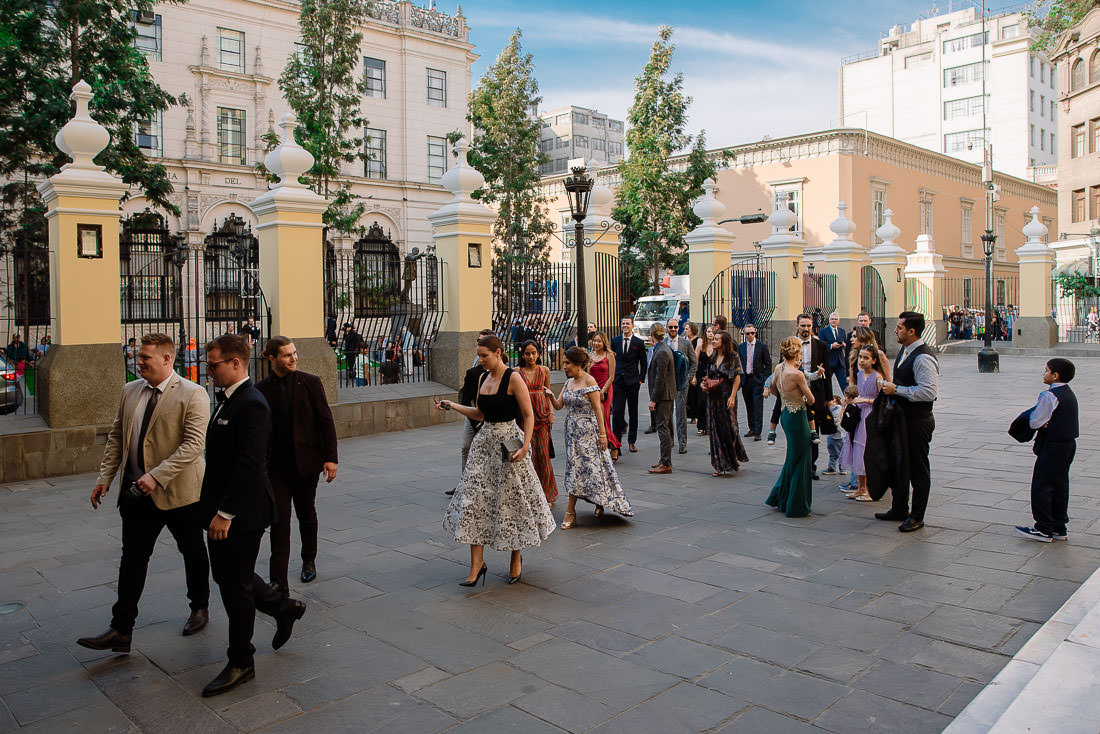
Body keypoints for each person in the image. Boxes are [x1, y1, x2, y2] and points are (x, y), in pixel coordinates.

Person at [77, 333, 211, 655]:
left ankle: (200, 608)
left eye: (145, 358)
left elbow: (194, 445)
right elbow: (117, 437)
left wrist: (157, 476)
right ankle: (121, 629)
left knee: (192, 552)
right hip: (137, 494)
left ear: (167, 359)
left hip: (180, 493)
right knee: (133, 560)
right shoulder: (130, 391)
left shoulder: (193, 394)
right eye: (139, 357)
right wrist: (105, 477)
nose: (139, 362)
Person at [199, 334, 306, 697]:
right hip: (223, 509)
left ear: (235, 363)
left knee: (236, 586)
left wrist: (225, 514)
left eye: (213, 365)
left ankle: (241, 660)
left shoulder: (251, 404)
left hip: (243, 513)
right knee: (230, 578)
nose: (208, 371)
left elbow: (249, 465)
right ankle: (284, 607)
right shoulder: (229, 401)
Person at [438, 334, 555, 586]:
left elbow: (529, 414)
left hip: (509, 443)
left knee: (511, 500)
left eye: (484, 356)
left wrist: (525, 446)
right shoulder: (482, 377)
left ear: (499, 352)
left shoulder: (513, 377)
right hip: (484, 444)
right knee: (475, 500)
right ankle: (476, 565)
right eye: (479, 356)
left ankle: (516, 557)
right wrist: (453, 406)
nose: (480, 361)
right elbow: (479, 412)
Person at [257, 337, 338, 591]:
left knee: (306, 513)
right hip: (276, 468)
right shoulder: (261, 389)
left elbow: (326, 421)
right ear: (272, 359)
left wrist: (331, 458)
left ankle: (308, 560)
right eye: (287, 355)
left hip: (306, 463)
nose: (294, 358)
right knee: (279, 520)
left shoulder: (310, 382)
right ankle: (277, 577)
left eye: (294, 353)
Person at [545, 346, 633, 529]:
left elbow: (598, 409)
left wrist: (603, 435)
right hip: (571, 431)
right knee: (577, 468)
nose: (564, 366)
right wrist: (549, 396)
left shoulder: (589, 380)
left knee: (589, 468)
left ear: (578, 365)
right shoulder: (568, 382)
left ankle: (571, 511)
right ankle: (598, 501)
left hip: (588, 431)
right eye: (563, 363)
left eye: (567, 363)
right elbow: (559, 405)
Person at [874, 312, 939, 533]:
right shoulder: (906, 350)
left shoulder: (923, 357)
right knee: (899, 464)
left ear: (912, 331)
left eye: (899, 327)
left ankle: (917, 516)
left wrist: (897, 389)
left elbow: (928, 392)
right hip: (901, 418)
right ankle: (899, 508)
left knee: (918, 468)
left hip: (917, 421)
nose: (895, 330)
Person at [1014, 359, 1078, 542]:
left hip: (1053, 445)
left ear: (1055, 375)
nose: (1044, 374)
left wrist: (1040, 421)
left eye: (1046, 371)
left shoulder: (1049, 395)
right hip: (1068, 444)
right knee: (1060, 485)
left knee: (1042, 485)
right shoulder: (1068, 393)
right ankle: (1059, 527)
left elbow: (1035, 421)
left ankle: (1043, 527)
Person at [765, 337, 815, 517]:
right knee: (802, 459)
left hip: (786, 414)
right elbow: (811, 400)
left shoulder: (778, 369)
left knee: (792, 457)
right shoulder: (797, 374)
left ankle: (781, 496)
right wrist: (799, 398)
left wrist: (787, 398)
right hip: (798, 416)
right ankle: (796, 504)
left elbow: (771, 389)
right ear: (797, 353)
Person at [702, 330, 749, 477]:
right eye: (713, 338)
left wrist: (733, 396)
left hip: (727, 396)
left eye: (717, 339)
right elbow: (708, 375)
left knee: (731, 429)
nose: (713, 341)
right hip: (713, 398)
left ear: (724, 342)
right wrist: (704, 385)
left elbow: (737, 377)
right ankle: (719, 464)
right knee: (715, 429)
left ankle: (734, 457)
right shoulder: (713, 356)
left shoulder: (733, 356)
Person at [516, 340, 558, 505]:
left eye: (534, 353)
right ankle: (531, 493)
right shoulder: (517, 372)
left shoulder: (545, 370)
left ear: (539, 354)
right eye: (528, 353)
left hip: (542, 415)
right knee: (529, 455)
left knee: (544, 455)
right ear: (523, 354)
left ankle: (548, 494)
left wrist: (551, 413)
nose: (531, 356)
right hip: (524, 416)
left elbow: (547, 393)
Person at [843, 347, 885, 501]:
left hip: (870, 415)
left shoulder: (877, 377)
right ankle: (860, 487)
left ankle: (869, 489)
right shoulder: (860, 374)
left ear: (874, 360)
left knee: (867, 450)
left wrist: (865, 400)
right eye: (860, 357)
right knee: (857, 449)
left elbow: (882, 400)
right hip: (859, 414)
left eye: (866, 358)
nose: (861, 360)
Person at [610, 316, 647, 454]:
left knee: (633, 412)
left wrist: (641, 378)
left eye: (627, 323)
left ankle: (632, 441)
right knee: (617, 412)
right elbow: (611, 359)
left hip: (633, 382)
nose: (625, 326)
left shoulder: (638, 342)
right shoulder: (615, 341)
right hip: (618, 381)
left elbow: (643, 362)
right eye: (623, 323)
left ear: (632, 326)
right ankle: (616, 443)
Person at [646, 323, 676, 474]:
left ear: (652, 334)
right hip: (664, 395)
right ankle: (663, 459)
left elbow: (660, 378)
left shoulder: (662, 351)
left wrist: (653, 399)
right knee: (663, 427)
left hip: (663, 396)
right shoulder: (661, 348)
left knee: (662, 428)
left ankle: (666, 463)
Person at [587, 331, 621, 461]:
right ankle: (604, 446)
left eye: (599, 341)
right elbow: (589, 376)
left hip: (605, 389)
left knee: (604, 419)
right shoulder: (590, 355)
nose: (596, 343)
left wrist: (603, 391)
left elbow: (612, 376)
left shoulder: (609, 355)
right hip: (593, 390)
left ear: (604, 342)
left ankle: (614, 446)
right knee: (596, 420)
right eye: (594, 341)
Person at [666, 317, 698, 455]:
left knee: (681, 413)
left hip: (682, 383)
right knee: (667, 413)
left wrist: (689, 377)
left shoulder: (686, 343)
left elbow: (694, 362)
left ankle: (682, 442)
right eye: (670, 327)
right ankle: (669, 440)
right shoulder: (662, 343)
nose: (673, 329)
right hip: (667, 384)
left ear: (678, 328)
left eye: (675, 327)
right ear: (667, 328)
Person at [737, 324, 771, 441]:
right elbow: (739, 363)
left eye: (752, 333)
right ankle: (751, 428)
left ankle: (758, 431)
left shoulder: (762, 346)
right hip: (746, 380)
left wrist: (763, 378)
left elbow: (768, 364)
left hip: (757, 380)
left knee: (757, 406)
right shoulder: (741, 347)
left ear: (755, 333)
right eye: (748, 333)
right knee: (749, 405)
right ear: (744, 334)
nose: (750, 335)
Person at [819, 312, 848, 394]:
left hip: (840, 362)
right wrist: (831, 346)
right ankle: (827, 401)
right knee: (826, 383)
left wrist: (844, 344)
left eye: (835, 319)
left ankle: (848, 400)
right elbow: (820, 345)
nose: (834, 321)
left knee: (844, 383)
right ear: (829, 321)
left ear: (838, 321)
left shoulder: (842, 331)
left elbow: (845, 342)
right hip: (829, 361)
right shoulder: (824, 331)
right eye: (832, 319)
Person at [694, 325, 715, 436]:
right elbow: (695, 361)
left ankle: (710, 425)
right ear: (705, 333)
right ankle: (701, 425)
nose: (710, 334)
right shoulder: (701, 345)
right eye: (708, 332)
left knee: (711, 402)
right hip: (701, 376)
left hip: (713, 377)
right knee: (701, 401)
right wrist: (693, 376)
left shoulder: (717, 346)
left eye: (712, 332)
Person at [684, 322, 702, 427]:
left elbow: (695, 357)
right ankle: (689, 415)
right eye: (685, 329)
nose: (685, 331)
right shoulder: (684, 340)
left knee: (695, 393)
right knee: (688, 394)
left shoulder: (698, 340)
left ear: (692, 330)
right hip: (685, 368)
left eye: (687, 329)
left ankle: (695, 416)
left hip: (695, 368)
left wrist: (693, 374)